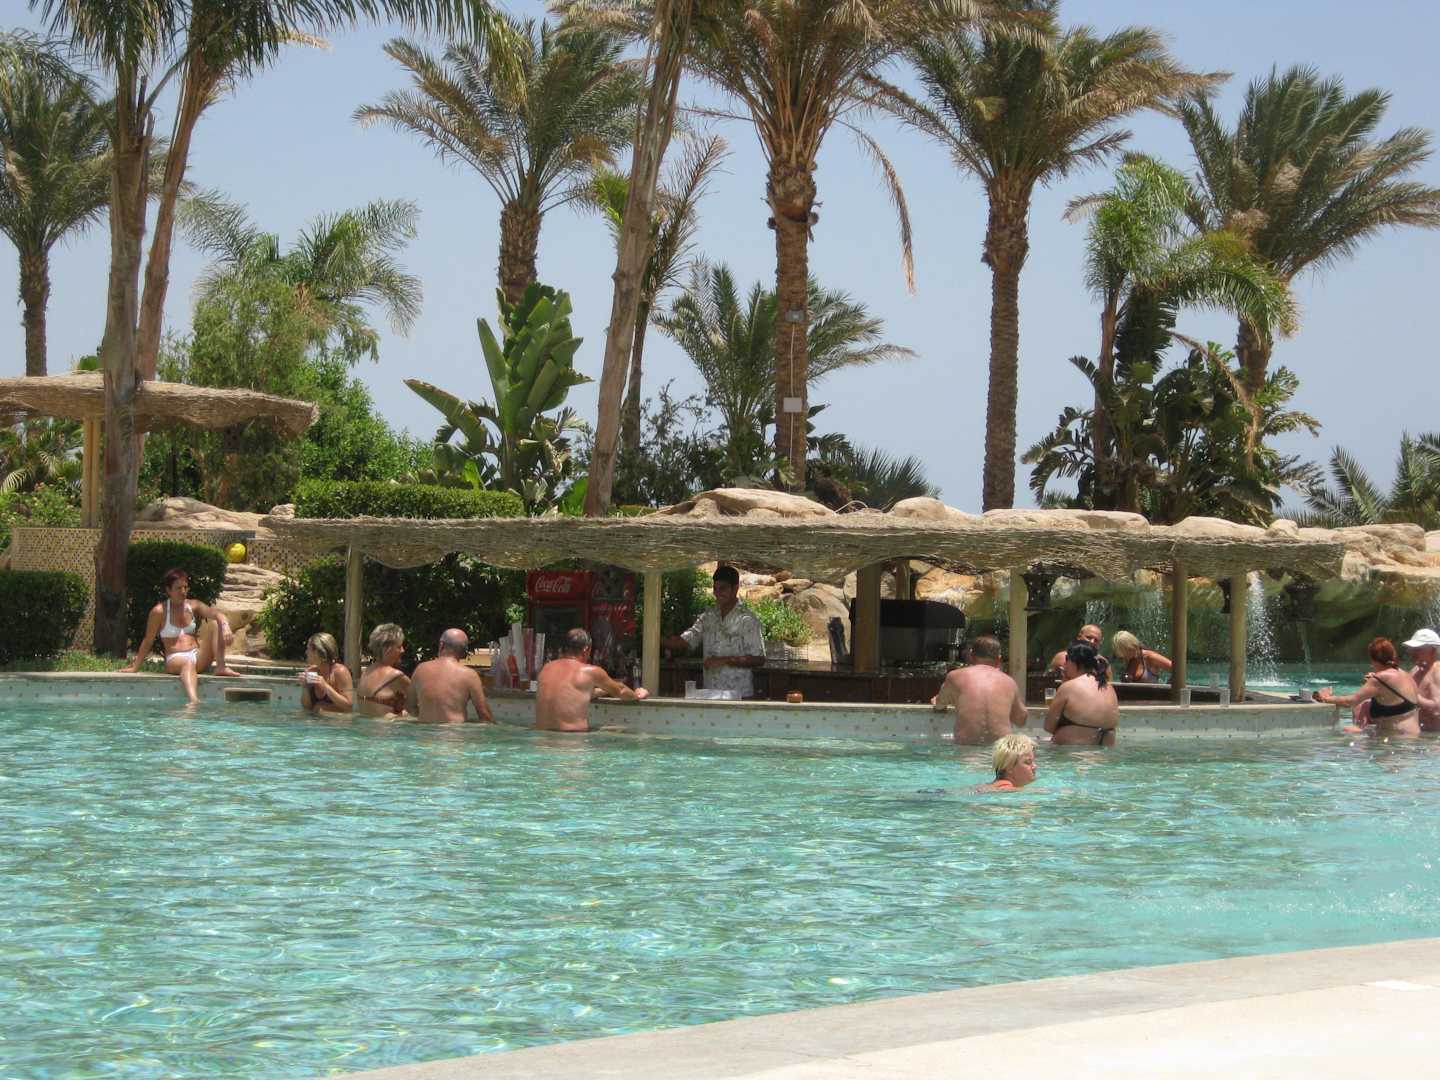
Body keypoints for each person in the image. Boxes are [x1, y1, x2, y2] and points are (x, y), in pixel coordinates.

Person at [122, 567, 238, 705]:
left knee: (215, 623)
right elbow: (148, 640)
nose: (183, 591)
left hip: (197, 656)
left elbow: (216, 613)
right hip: (175, 659)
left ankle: (221, 667)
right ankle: (194, 701)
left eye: (185, 587)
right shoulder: (159, 611)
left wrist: (225, 626)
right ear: (168, 590)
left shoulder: (193, 605)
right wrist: (135, 667)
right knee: (187, 663)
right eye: (178, 588)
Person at [662, 565, 766, 698]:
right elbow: (686, 639)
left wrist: (725, 660)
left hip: (739, 696)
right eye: (715, 589)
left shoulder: (747, 619)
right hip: (711, 694)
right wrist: (656, 638)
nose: (717, 593)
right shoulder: (708, 616)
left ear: (735, 588)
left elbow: (759, 659)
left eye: (723, 588)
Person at [535, 628, 648, 732]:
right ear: (586, 649)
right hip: (572, 741)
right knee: (623, 730)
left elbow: (569, 693)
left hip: (543, 739)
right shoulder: (589, 671)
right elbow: (621, 690)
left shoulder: (546, 669)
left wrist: (604, 691)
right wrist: (637, 695)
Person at [931, 634, 1027, 744]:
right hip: (1000, 749)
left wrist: (940, 701)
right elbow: (1021, 720)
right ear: (998, 659)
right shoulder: (1009, 682)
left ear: (971, 656)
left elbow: (939, 705)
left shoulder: (955, 676)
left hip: (966, 748)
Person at [1317, 637, 1420, 739]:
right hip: (1412, 736)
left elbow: (1351, 701)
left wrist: (1326, 698)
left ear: (1373, 660)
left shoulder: (1380, 678)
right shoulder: (1406, 675)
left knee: (1347, 732)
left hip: (1397, 739)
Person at [405, 628, 493, 724]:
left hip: (424, 731)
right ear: (463, 651)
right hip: (454, 731)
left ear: (441, 645)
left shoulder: (420, 669)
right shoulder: (469, 675)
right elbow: (485, 716)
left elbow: (409, 706)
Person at [1046, 642, 1119, 747]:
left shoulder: (1069, 687)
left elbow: (1048, 727)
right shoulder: (1109, 687)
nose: (1064, 665)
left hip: (1073, 751)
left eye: (1067, 659)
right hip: (1105, 750)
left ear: (1074, 661)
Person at [355, 623, 410, 718]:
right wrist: (402, 715)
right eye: (399, 646)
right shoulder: (396, 675)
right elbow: (424, 704)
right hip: (386, 727)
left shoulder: (366, 673)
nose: (403, 650)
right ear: (388, 649)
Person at [299, 632, 353, 714]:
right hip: (316, 720)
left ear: (317, 652)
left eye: (308, 648)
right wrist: (305, 687)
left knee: (319, 708)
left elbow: (348, 707)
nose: (306, 652)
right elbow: (307, 707)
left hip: (337, 721)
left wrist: (326, 686)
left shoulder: (340, 672)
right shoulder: (311, 671)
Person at [1403, 628, 1440, 732]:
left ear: (1432, 651)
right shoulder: (1415, 670)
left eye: (1418, 649)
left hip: (1434, 737)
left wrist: (1415, 698)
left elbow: (1438, 709)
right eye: (1412, 649)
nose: (1412, 653)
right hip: (1419, 734)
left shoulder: (1437, 672)